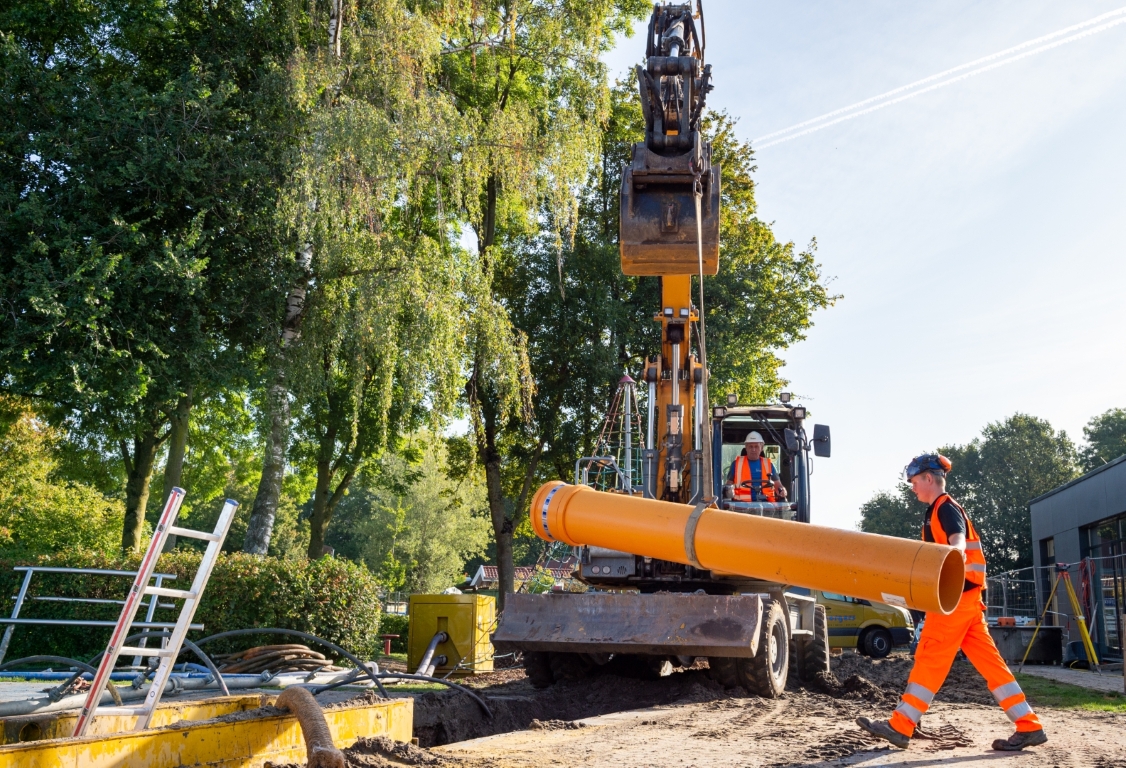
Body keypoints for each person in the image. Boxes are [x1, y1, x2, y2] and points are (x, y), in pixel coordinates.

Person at [856, 454, 1047, 752]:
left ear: (929, 479)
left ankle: (901, 725)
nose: (912, 488)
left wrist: (951, 556)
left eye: (915, 482)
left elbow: (957, 542)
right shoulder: (940, 509)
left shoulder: (944, 509)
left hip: (954, 602)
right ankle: (1029, 725)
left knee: (930, 658)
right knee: (992, 666)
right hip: (968, 602)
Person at [727, 432, 787, 502]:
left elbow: (778, 485)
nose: (753, 449)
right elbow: (728, 485)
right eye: (751, 446)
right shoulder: (736, 464)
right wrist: (728, 492)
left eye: (756, 446)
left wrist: (783, 490)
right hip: (741, 506)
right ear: (746, 447)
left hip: (767, 506)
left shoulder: (769, 465)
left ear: (761, 448)